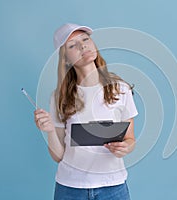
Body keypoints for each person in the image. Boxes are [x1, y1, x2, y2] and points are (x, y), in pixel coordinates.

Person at [34, 23, 138, 200]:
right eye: (73, 45)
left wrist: (124, 148)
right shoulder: (59, 97)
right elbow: (59, 156)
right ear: (66, 58)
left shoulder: (121, 89)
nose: (83, 46)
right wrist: (50, 130)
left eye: (85, 39)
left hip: (113, 187)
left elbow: (130, 139)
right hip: (70, 188)